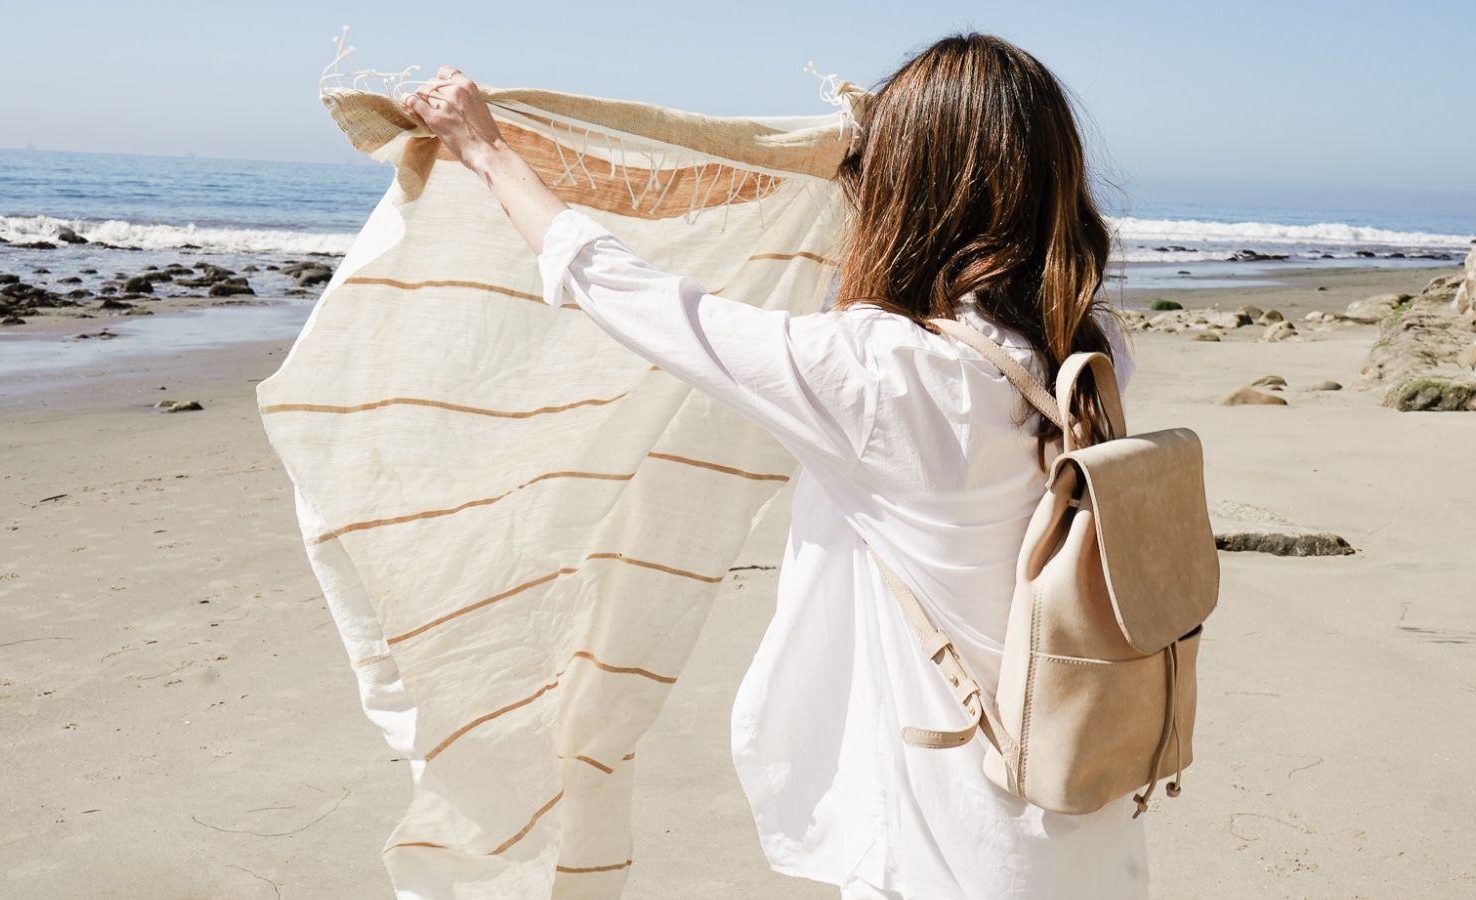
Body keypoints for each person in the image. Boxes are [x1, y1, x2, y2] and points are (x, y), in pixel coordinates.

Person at [400, 32, 1146, 900]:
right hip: (1089, 800)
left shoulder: (883, 375)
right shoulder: (1088, 353)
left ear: (909, 185)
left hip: (953, 833)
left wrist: (487, 152)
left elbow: (637, 299)